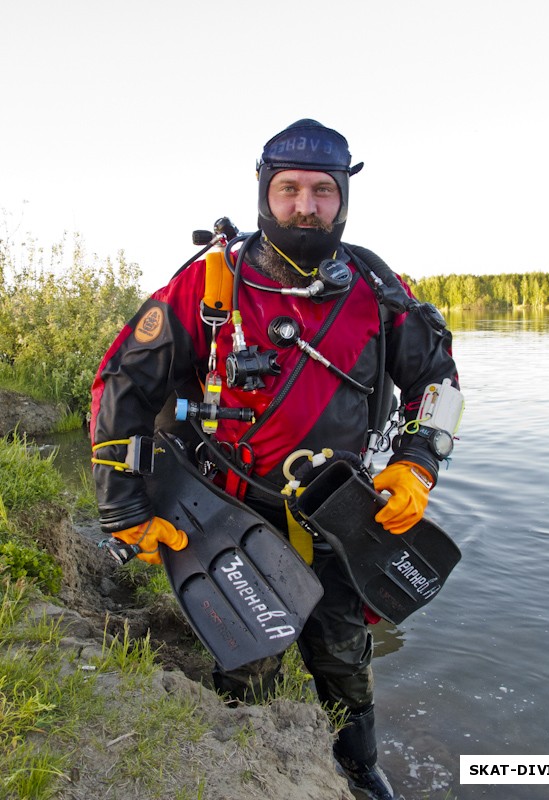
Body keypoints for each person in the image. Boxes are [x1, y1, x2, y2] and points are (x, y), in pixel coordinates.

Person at [90, 119, 460, 800]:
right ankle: (248, 762)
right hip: (230, 514)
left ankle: (356, 766)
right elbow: (121, 385)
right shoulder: (210, 284)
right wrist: (124, 509)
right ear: (265, 190)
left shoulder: (379, 291)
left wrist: (417, 463)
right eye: (289, 188)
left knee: (345, 655)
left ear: (344, 197)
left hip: (345, 515)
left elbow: (437, 379)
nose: (305, 204)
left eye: (323, 190)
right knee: (248, 656)